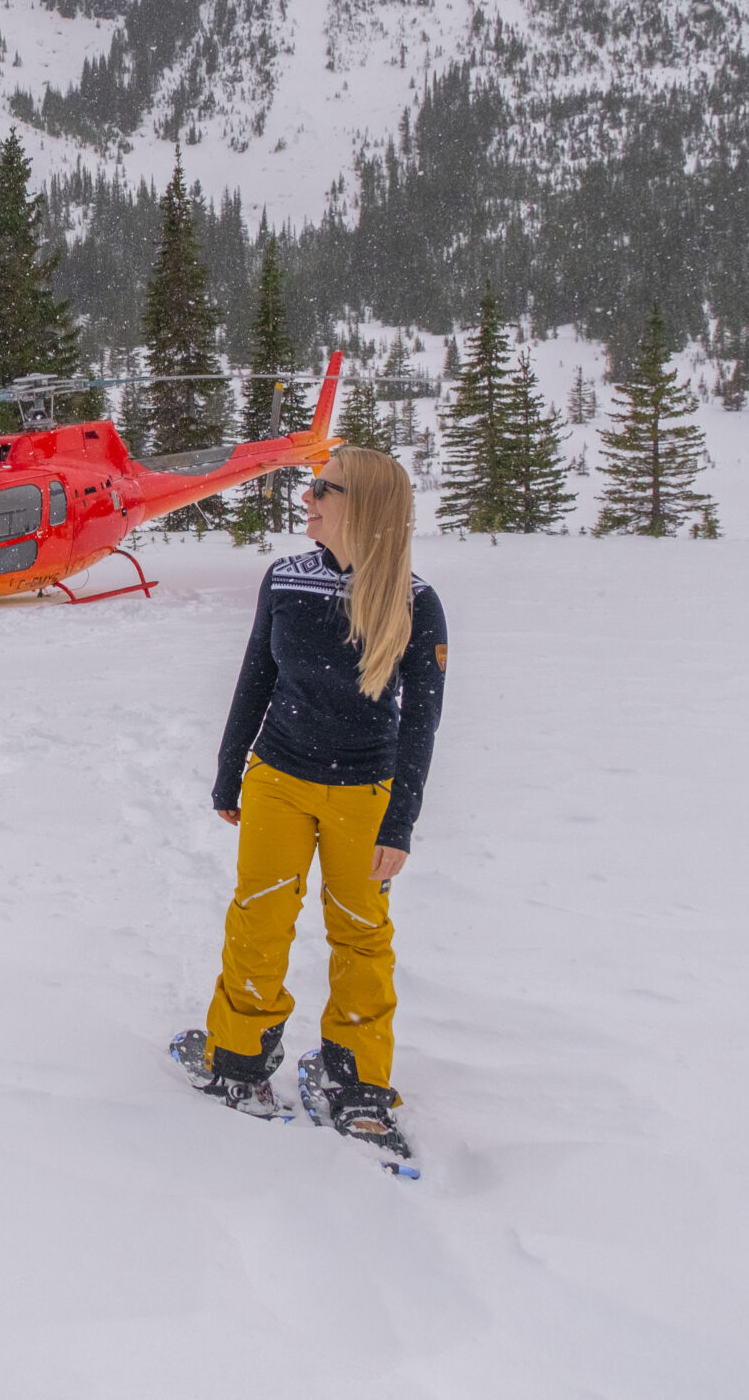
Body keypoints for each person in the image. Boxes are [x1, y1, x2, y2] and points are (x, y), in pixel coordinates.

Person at [178, 445, 447, 1158]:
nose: (307, 499)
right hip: (279, 780)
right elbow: (255, 677)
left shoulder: (416, 602)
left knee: (362, 934)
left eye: (322, 490)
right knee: (258, 916)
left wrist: (401, 821)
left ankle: (355, 1082)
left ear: (361, 504)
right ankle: (237, 1060)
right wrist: (229, 770)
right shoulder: (285, 580)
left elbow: (421, 721)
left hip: (367, 793)